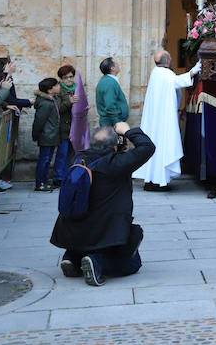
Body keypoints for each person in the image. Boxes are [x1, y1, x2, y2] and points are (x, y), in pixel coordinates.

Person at [50, 122, 154, 286]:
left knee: (86, 233)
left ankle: (71, 258)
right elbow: (147, 147)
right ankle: (96, 262)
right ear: (115, 145)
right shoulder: (115, 164)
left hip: (71, 232)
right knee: (133, 262)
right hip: (102, 233)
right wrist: (127, 131)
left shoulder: (78, 159)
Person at [132, 51, 201, 191]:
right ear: (168, 61)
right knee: (161, 147)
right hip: (162, 121)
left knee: (154, 149)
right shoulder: (165, 74)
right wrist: (194, 70)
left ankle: (151, 181)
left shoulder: (155, 73)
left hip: (155, 121)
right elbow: (178, 82)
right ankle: (158, 182)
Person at [32, 78, 63, 192]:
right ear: (50, 90)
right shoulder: (45, 103)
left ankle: (44, 181)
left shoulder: (52, 99)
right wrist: (35, 135)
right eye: (56, 85)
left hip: (52, 135)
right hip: (47, 135)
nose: (59, 87)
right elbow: (39, 121)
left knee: (47, 159)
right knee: (44, 160)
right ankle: (40, 183)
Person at [95, 58, 128, 126]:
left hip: (110, 122)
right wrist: (117, 123)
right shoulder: (110, 83)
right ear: (112, 68)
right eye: (116, 63)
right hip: (111, 124)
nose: (118, 65)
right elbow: (110, 106)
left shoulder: (107, 80)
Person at [57, 65, 79, 166]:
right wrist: (69, 102)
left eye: (71, 76)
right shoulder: (58, 90)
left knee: (74, 154)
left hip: (76, 127)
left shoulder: (78, 88)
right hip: (64, 128)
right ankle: (59, 178)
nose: (69, 79)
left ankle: (71, 176)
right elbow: (57, 109)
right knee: (63, 154)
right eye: (65, 77)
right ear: (61, 79)